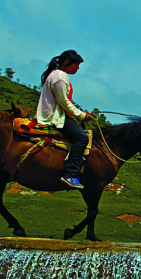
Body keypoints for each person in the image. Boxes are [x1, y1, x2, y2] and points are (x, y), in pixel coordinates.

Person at [36, 50, 96, 189]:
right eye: (76, 65)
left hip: (59, 114)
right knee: (82, 138)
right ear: (67, 62)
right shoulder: (60, 77)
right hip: (55, 117)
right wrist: (81, 115)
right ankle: (70, 174)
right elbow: (63, 101)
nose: (78, 68)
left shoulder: (55, 75)